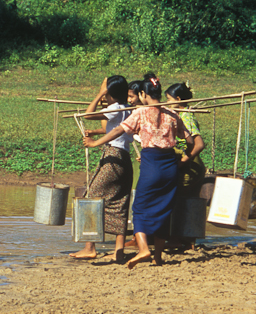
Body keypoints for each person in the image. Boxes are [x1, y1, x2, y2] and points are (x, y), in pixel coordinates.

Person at [83, 73, 192, 269]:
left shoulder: (140, 113)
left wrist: (94, 143)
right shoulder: (172, 114)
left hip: (151, 165)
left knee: (140, 209)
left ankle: (143, 249)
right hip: (170, 167)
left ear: (143, 94)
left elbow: (117, 131)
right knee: (163, 210)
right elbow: (190, 141)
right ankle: (158, 257)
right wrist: (181, 158)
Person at [71, 75, 133, 262]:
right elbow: (113, 128)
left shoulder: (114, 108)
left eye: (106, 91)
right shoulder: (128, 108)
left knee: (92, 197)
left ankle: (90, 247)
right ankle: (119, 248)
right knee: (119, 202)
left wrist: (99, 95)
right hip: (125, 158)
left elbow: (88, 115)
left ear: (110, 93)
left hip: (112, 157)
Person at [165, 82, 206, 197]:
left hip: (190, 165)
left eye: (169, 99)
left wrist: (182, 162)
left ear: (178, 99)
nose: (167, 103)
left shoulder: (186, 117)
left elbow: (199, 145)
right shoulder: (180, 115)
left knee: (182, 201)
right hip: (185, 163)